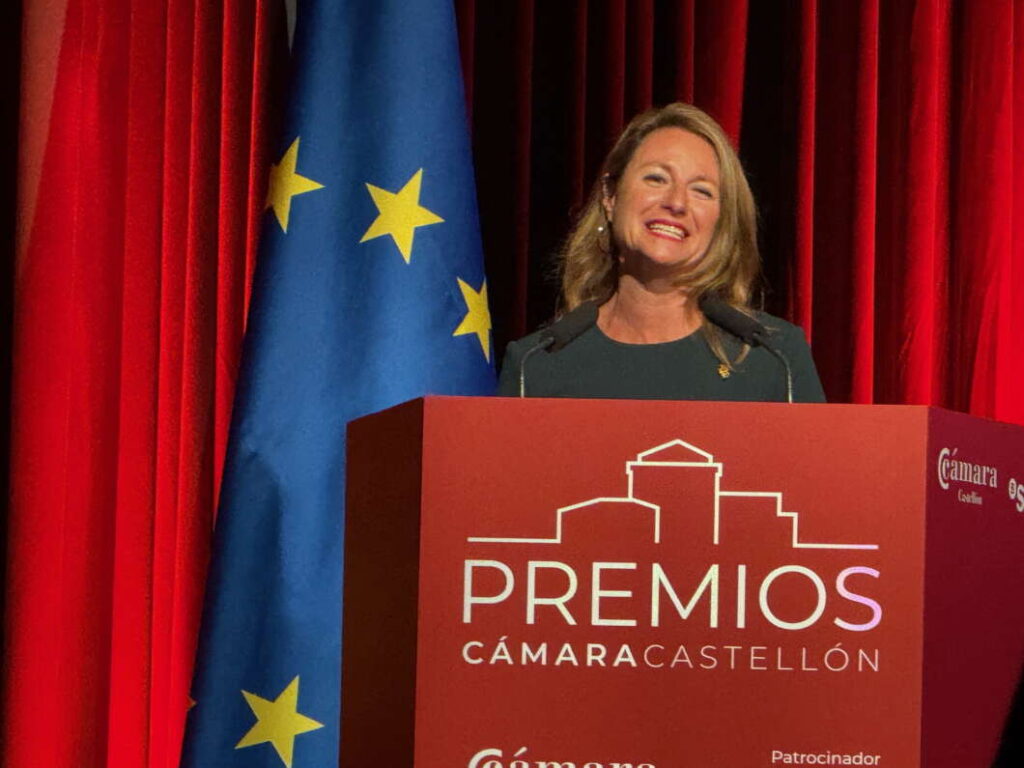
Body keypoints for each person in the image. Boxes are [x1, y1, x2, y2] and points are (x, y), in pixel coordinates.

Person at [496, 102, 825, 402]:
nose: (677, 203)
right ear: (610, 195)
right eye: (656, 179)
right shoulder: (535, 365)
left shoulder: (774, 357)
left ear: (721, 221)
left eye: (701, 191)